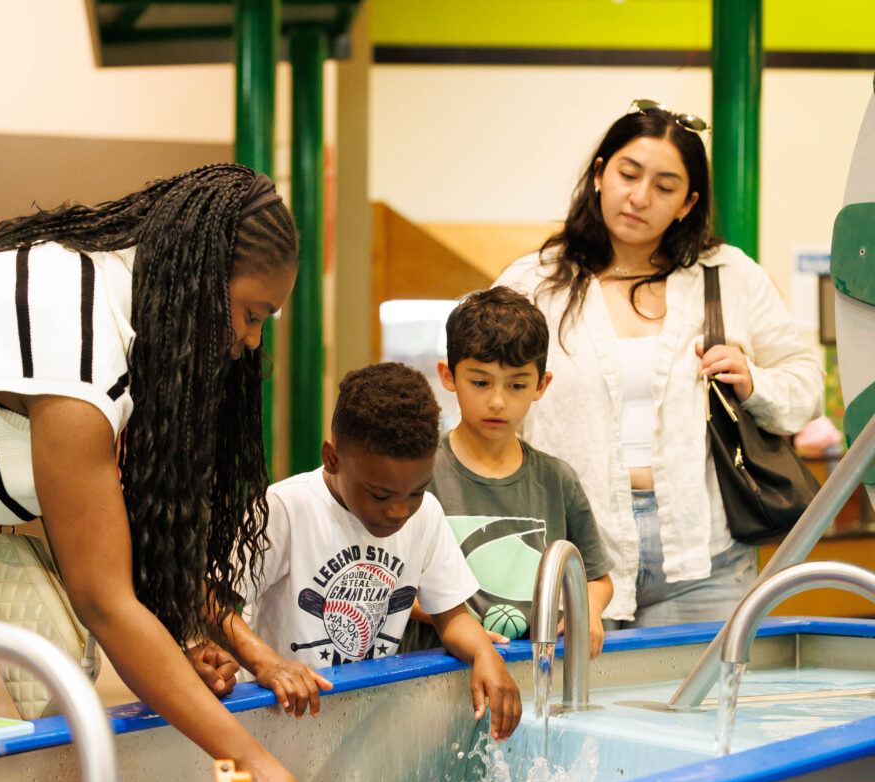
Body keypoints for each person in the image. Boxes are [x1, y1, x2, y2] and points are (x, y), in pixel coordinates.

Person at [0, 164, 306, 782]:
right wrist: (251, 759)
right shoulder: (79, 333)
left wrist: (178, 643)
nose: (250, 341)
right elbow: (104, 598)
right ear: (203, 280)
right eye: (250, 314)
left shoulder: (125, 304)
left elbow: (110, 533)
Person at [494, 100, 824, 628]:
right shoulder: (533, 282)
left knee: (709, 708)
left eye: (666, 187)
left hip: (707, 557)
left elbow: (806, 385)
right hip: (575, 552)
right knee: (578, 707)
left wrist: (753, 381)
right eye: (628, 174)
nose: (640, 197)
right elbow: (486, 403)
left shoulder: (728, 274)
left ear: (688, 203)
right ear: (600, 174)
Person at [216, 362, 523, 742]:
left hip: (358, 723)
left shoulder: (425, 515)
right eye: (379, 494)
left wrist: (483, 654)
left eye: (415, 490)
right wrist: (268, 664)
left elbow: (451, 616)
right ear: (332, 458)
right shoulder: (286, 507)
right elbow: (214, 601)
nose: (398, 511)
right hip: (275, 721)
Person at [404, 287, 614, 657]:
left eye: (517, 385)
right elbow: (392, 582)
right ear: (448, 376)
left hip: (530, 670)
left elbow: (597, 578)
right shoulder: (419, 472)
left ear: (541, 385)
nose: (498, 401)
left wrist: (589, 610)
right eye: (480, 382)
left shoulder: (557, 479)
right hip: (434, 671)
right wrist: (454, 620)